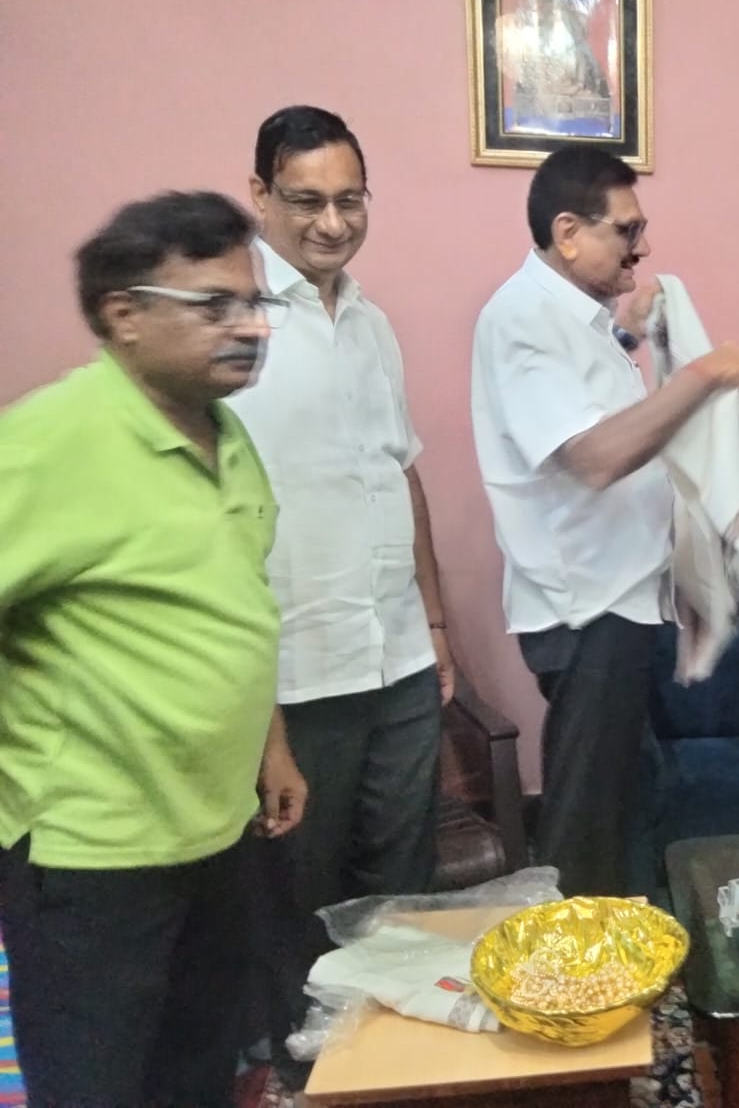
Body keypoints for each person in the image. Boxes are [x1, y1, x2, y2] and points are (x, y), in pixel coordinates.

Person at [0, 191, 304, 1107]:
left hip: (216, 833)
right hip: (93, 856)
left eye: (255, 302)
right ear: (123, 314)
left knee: (196, 1074)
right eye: (215, 306)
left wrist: (271, 745)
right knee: (98, 1086)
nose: (251, 326)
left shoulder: (224, 432)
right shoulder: (50, 444)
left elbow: (233, 604)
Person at [225, 105, 454, 1075]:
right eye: (306, 200)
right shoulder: (231, 322)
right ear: (260, 196)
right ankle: (307, 1072)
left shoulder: (370, 322)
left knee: (400, 884)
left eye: (349, 200)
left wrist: (436, 623)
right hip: (296, 667)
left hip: (395, 655)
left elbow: (401, 473)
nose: (331, 222)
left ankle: (389, 1064)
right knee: (299, 893)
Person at [471, 144, 739, 896]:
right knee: (586, 824)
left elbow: (587, 404)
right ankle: (572, 956)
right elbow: (594, 457)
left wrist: (634, 336)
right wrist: (703, 375)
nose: (642, 246)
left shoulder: (576, 318)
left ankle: (628, 940)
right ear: (568, 233)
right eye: (627, 230)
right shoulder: (524, 317)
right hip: (585, 607)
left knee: (630, 800)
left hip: (619, 598)